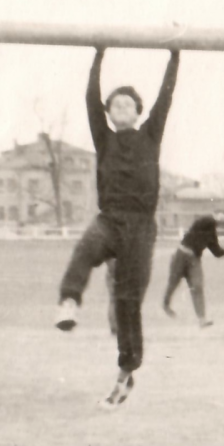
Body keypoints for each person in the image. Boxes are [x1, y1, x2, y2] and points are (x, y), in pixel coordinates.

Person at [55, 47, 180, 410]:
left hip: (140, 229)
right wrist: (99, 54)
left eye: (128, 104)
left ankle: (125, 375)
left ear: (139, 112)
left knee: (127, 304)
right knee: (85, 248)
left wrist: (175, 55)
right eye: (116, 105)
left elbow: (166, 96)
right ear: (108, 115)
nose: (122, 108)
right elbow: (90, 99)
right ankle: (68, 302)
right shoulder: (104, 138)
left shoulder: (151, 135)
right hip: (110, 219)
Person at [162, 212, 224, 327]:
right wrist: (215, 217)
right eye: (219, 216)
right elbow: (206, 220)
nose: (220, 219)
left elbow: (216, 252)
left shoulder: (212, 234)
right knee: (173, 283)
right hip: (181, 255)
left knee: (197, 286)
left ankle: (202, 319)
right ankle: (166, 304)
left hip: (194, 260)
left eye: (223, 219)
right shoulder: (203, 222)